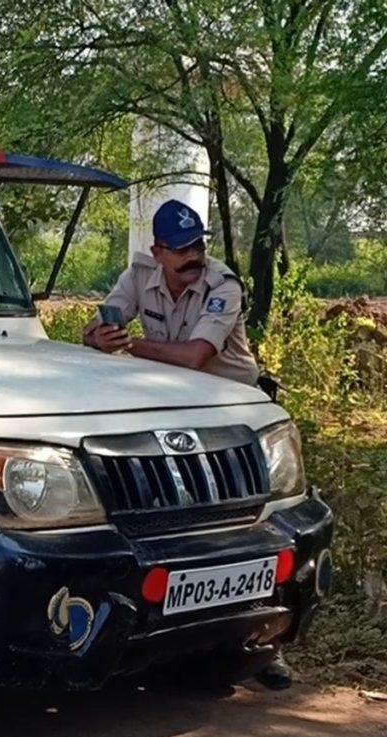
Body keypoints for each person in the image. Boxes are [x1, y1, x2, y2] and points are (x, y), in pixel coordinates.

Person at [82, 198, 292, 690]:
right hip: (170, 413)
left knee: (257, 525)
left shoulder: (222, 286)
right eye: (180, 249)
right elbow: (94, 329)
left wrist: (129, 346)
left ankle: (269, 646)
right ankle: (165, 637)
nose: (192, 257)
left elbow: (197, 356)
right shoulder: (139, 276)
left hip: (234, 418)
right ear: (157, 251)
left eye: (197, 245)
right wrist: (99, 337)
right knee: (169, 530)